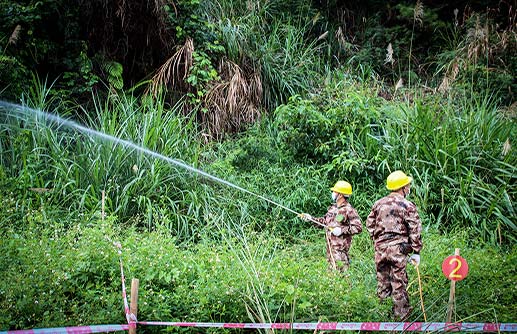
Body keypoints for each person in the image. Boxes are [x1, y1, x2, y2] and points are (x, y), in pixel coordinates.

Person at [366, 170, 422, 321]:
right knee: (398, 283)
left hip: (381, 249)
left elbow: (369, 225)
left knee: (382, 283)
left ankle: (382, 318)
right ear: (403, 187)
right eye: (408, 185)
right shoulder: (407, 205)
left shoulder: (378, 204)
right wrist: (416, 251)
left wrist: (378, 241)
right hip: (399, 249)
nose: (409, 187)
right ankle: (401, 319)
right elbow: (415, 229)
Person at [300, 180, 362, 272]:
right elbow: (324, 222)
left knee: (342, 279)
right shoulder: (333, 208)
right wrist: (311, 218)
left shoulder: (348, 210)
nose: (333, 193)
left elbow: (358, 227)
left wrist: (341, 230)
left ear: (340, 195)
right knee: (331, 278)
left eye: (334, 192)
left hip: (340, 252)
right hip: (330, 251)